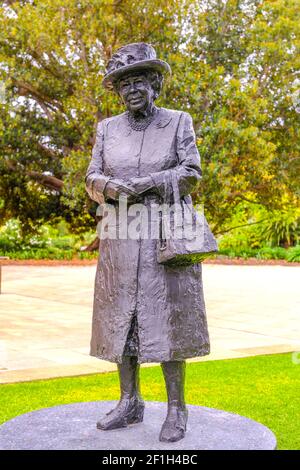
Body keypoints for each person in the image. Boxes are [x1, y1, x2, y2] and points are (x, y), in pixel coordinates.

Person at [85, 42, 210, 443]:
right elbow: (91, 177)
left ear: (155, 84)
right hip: (119, 236)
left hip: (164, 236)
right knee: (123, 320)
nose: (132, 89)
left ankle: (176, 408)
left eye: (140, 80)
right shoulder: (107, 129)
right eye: (125, 84)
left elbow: (191, 171)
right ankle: (129, 401)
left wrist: (149, 183)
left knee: (167, 320)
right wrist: (106, 185)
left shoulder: (177, 122)